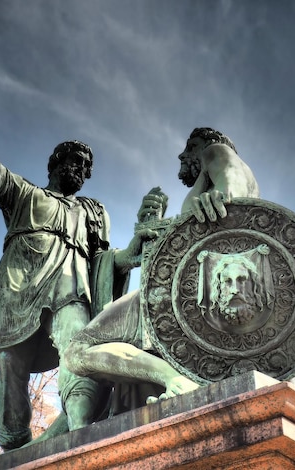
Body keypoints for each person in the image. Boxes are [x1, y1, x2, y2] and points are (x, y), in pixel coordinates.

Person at [0, 51, 153, 450]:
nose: (79, 170)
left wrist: (132, 252)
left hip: (70, 291)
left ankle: (82, 431)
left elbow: (103, 264)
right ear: (55, 164)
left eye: (85, 166)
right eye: (73, 161)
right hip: (18, 289)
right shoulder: (22, 194)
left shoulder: (93, 211)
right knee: (11, 367)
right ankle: (16, 447)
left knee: (82, 350)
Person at [63, 127, 259, 407]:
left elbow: (231, 183)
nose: (184, 154)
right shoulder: (217, 177)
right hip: (202, 281)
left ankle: (174, 379)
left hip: (184, 288)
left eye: (191, 146)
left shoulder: (216, 153)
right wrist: (155, 223)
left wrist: (223, 196)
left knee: (78, 350)